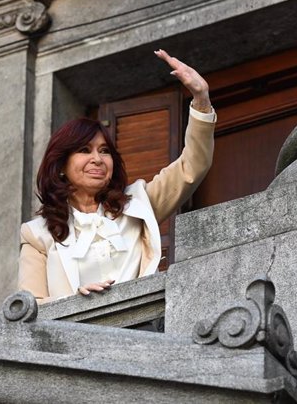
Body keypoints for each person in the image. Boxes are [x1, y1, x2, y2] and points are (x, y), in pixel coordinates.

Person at [18, 50, 215, 303]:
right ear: (61, 166)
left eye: (104, 151)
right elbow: (30, 306)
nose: (97, 159)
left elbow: (194, 165)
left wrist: (201, 99)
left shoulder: (138, 204)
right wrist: (74, 302)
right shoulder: (37, 234)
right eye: (83, 150)